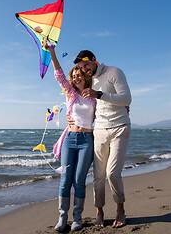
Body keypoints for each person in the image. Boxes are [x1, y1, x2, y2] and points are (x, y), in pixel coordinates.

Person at [72, 50, 132, 228]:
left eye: (86, 65)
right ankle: (99, 212)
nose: (85, 70)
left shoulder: (114, 72)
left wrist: (99, 94)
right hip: (99, 130)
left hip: (120, 127)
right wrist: (71, 118)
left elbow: (127, 98)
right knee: (98, 176)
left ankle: (120, 210)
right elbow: (77, 100)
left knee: (112, 173)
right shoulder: (90, 80)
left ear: (94, 60)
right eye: (82, 68)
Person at [47, 45, 96, 232]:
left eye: (79, 74)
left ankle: (77, 218)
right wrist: (52, 52)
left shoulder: (93, 97)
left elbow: (104, 111)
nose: (76, 77)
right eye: (73, 75)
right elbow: (58, 74)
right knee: (65, 179)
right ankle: (62, 218)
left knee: (79, 180)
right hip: (70, 139)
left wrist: (124, 106)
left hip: (86, 140)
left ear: (85, 77)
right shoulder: (70, 93)